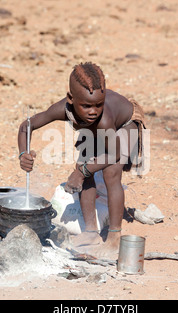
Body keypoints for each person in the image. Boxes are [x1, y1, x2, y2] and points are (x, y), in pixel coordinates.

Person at [18, 62, 146, 258]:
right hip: (96, 131)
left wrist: (81, 172)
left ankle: (114, 237)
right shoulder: (63, 108)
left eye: (98, 105)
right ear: (71, 98)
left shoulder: (103, 118)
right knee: (84, 165)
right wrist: (23, 153)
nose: (93, 111)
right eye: (86, 105)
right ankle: (91, 232)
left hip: (124, 124)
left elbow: (115, 154)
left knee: (111, 172)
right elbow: (27, 126)